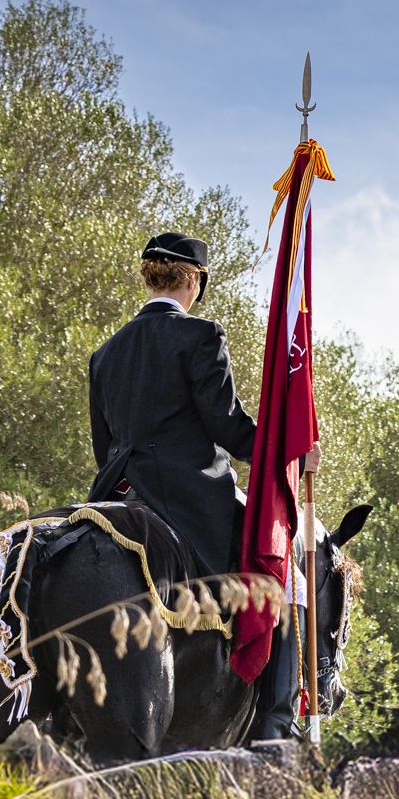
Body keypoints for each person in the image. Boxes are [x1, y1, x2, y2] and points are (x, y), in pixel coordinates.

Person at [88, 233, 256, 578]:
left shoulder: (104, 353)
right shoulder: (202, 335)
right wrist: (284, 453)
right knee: (274, 569)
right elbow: (224, 422)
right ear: (193, 280)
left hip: (117, 486)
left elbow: (103, 446)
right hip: (188, 493)